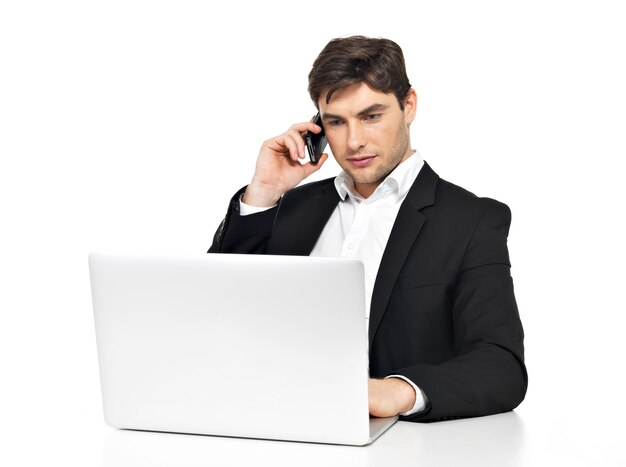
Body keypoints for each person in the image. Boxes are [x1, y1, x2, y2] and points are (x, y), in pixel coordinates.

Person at [208, 36, 527, 422]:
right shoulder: (290, 207)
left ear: (408, 105)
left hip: (397, 446)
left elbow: (501, 366)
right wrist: (264, 192)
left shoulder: (471, 221)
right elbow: (218, 315)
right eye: (336, 122)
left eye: (371, 116)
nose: (354, 141)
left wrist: (396, 391)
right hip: (272, 423)